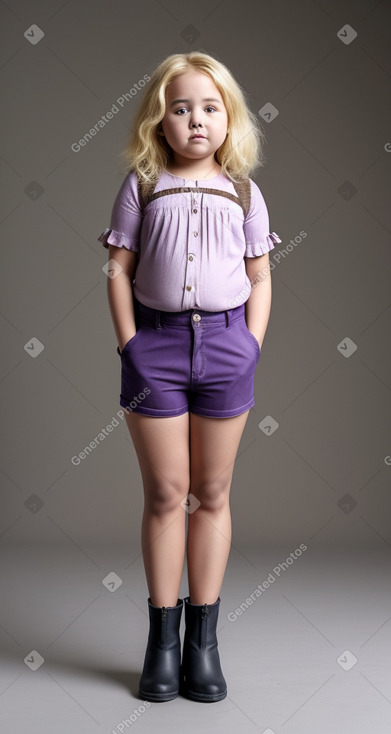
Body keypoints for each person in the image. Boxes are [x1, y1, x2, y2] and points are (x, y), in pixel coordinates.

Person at [98, 51, 281, 704]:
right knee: (165, 492)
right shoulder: (143, 184)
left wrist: (250, 345)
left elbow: (260, 276)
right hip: (159, 349)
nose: (195, 120)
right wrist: (130, 346)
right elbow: (118, 269)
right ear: (159, 121)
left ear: (228, 120)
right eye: (180, 108)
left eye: (209, 107)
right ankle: (162, 642)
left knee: (211, 490)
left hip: (227, 348)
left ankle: (203, 644)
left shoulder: (243, 191)